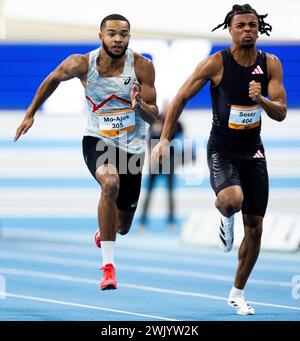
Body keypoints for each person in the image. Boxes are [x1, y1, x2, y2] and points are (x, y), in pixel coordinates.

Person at [152, 4, 287, 315]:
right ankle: (226, 217)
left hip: (253, 150)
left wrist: (261, 99)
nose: (248, 30)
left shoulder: (271, 64)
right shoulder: (216, 63)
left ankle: (237, 292)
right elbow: (182, 96)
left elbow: (280, 112)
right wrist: (164, 140)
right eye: (241, 25)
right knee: (231, 199)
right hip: (222, 149)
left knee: (255, 228)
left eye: (253, 25)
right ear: (231, 29)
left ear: (259, 29)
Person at [14, 14, 158, 290]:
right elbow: (52, 79)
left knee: (122, 226)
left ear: (130, 36)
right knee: (110, 181)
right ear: (101, 36)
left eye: (123, 34)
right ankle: (108, 268)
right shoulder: (81, 63)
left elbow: (154, 117)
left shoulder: (142, 66)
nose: (118, 39)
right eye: (112, 33)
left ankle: (105, 232)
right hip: (98, 139)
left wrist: (140, 107)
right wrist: (30, 114)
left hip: (132, 147)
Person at [140, 100, 184, 231]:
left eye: (169, 107)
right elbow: (148, 140)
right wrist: (148, 158)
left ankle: (170, 222)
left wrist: (180, 158)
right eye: (165, 107)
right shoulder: (154, 121)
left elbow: (182, 140)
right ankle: (143, 222)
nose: (166, 110)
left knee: (170, 192)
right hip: (155, 160)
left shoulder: (177, 124)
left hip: (170, 161)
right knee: (148, 191)